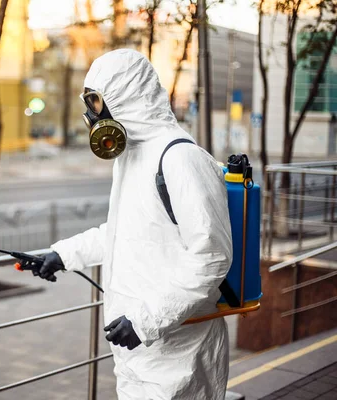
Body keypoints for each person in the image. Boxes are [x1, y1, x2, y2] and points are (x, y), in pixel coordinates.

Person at [35, 49, 233, 399]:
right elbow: (123, 233)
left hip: (179, 354)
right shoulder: (132, 157)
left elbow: (212, 256)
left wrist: (145, 321)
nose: (92, 116)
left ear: (124, 96)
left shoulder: (180, 158)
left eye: (96, 102)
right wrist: (62, 255)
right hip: (139, 351)